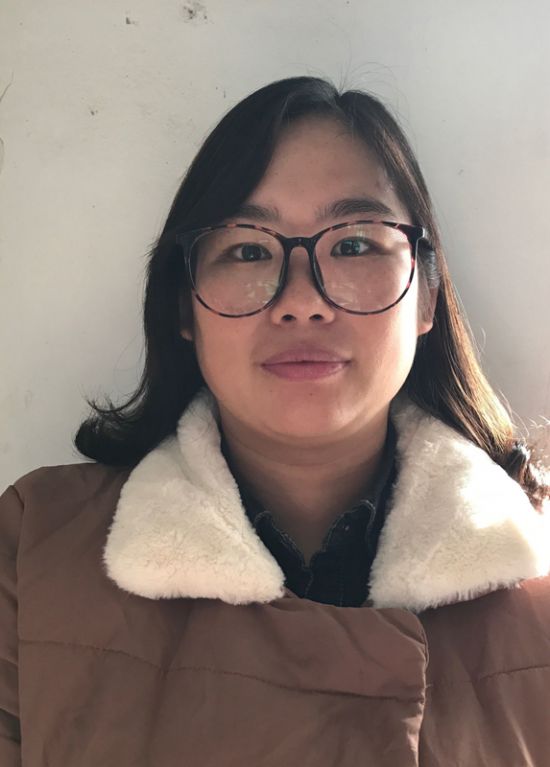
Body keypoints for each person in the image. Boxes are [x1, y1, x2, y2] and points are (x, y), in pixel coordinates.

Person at [1, 76, 549, 766]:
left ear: (427, 296)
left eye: (354, 245)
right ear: (183, 306)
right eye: (248, 250)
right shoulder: (34, 549)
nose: (302, 302)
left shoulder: (536, 575)